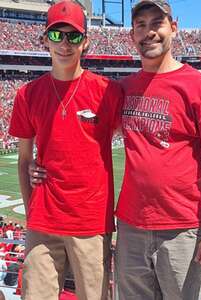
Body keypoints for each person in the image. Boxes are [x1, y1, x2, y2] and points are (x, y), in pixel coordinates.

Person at [114, 1, 201, 300]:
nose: (149, 32)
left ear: (174, 28)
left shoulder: (197, 86)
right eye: (141, 25)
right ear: (132, 35)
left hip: (182, 228)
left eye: (157, 23)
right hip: (130, 225)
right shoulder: (122, 88)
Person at [9, 1, 123, 300]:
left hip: (91, 222)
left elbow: (139, 144)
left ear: (85, 41)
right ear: (45, 39)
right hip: (43, 223)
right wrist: (33, 210)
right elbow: (23, 161)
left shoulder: (107, 91)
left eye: (73, 36)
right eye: (57, 35)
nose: (65, 44)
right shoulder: (27, 94)